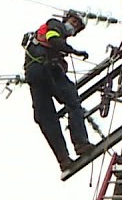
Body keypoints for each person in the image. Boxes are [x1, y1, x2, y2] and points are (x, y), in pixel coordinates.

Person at [22, 10, 93, 169]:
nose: (73, 28)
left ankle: (64, 160)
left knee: (45, 117)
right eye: (74, 22)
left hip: (35, 74)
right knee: (72, 99)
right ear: (67, 19)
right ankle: (80, 143)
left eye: (77, 27)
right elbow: (53, 39)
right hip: (48, 70)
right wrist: (74, 51)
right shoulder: (55, 25)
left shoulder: (40, 37)